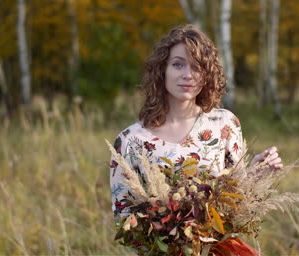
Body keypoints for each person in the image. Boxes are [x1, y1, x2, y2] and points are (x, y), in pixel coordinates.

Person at [110, 24, 282, 217]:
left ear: (206, 74)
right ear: (162, 70)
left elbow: (236, 202)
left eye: (197, 67)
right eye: (178, 64)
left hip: (218, 246)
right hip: (158, 247)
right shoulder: (130, 140)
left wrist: (256, 174)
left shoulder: (224, 124)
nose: (188, 75)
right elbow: (123, 216)